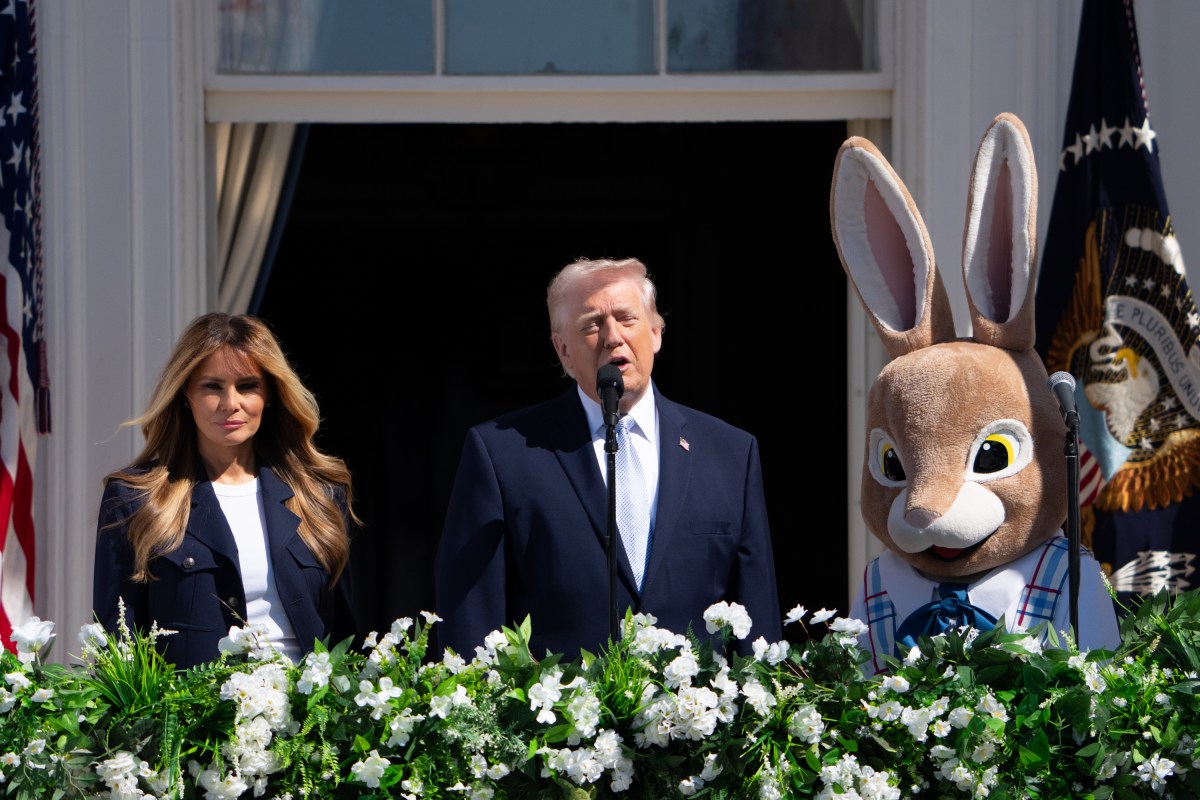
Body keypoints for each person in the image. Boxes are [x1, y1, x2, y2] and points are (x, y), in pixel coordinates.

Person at [435, 256, 782, 660]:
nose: (612, 337)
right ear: (563, 350)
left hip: (697, 719)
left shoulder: (730, 454)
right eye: (591, 324)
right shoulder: (502, 454)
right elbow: (470, 620)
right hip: (556, 717)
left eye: (626, 319)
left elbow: (757, 624)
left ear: (656, 333)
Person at [93, 312, 359, 669]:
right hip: (191, 720)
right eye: (212, 386)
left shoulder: (320, 496)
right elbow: (116, 650)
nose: (230, 403)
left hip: (307, 719)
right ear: (186, 393)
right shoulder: (135, 499)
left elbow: (346, 640)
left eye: (247, 386)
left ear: (271, 394)